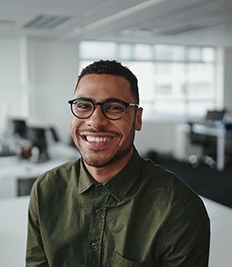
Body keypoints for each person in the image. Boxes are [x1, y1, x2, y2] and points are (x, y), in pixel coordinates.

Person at [26, 60, 210, 266]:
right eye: (83, 105)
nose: (95, 121)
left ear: (137, 118)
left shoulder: (178, 209)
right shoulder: (46, 189)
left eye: (114, 107)